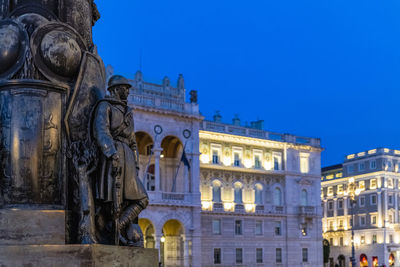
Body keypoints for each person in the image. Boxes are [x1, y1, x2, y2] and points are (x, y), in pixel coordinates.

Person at [92, 75, 148, 246]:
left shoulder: (127, 112)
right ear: (116, 89)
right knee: (113, 203)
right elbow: (101, 131)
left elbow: (132, 141)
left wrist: (136, 163)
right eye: (125, 88)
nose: (128, 91)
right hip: (113, 158)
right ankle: (112, 231)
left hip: (128, 159)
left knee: (141, 199)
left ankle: (118, 227)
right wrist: (111, 153)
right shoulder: (105, 106)